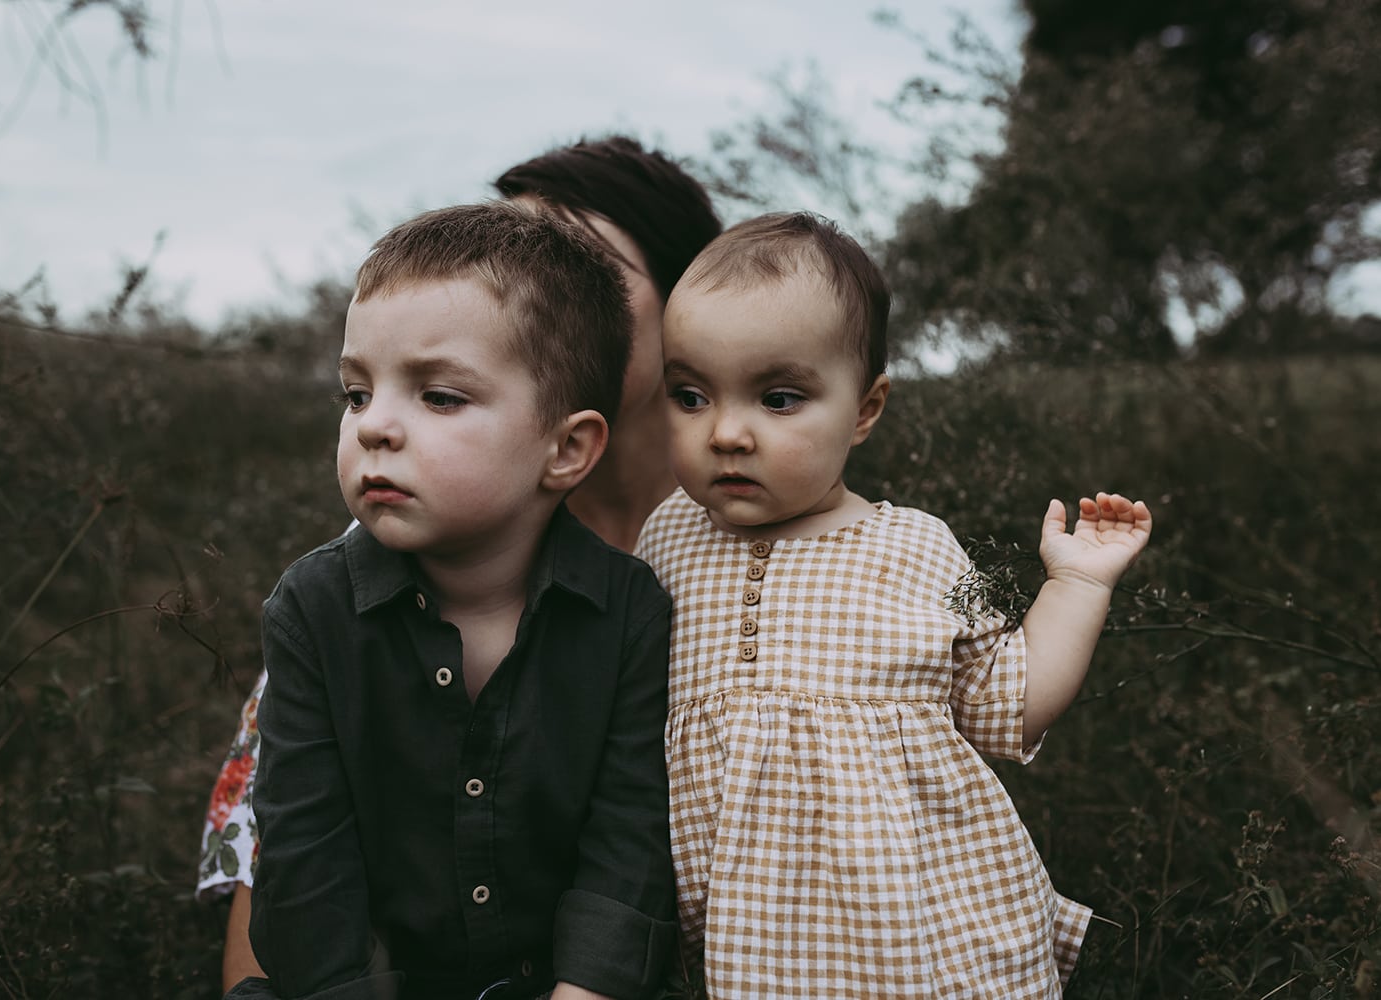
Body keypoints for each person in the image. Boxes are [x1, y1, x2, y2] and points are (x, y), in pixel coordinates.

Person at [198, 136, 722, 991]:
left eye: (579, 258)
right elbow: (289, 866)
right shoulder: (349, 587)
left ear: (685, 306)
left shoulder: (748, 569)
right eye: (357, 395)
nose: (527, 279)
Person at [633, 212, 1154, 997]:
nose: (727, 432)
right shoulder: (667, 534)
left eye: (778, 398)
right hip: (736, 941)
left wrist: (1078, 583)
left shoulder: (913, 545)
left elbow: (1009, 703)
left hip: (908, 933)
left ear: (865, 410)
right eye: (691, 395)